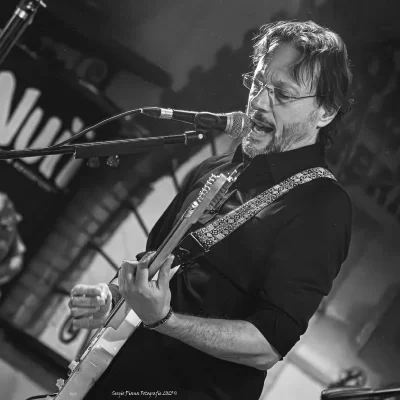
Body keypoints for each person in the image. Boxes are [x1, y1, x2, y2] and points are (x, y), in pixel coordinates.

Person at [69, 20, 353, 400]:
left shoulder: (322, 204)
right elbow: (154, 266)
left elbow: (268, 345)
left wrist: (166, 321)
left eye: (283, 95)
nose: (258, 103)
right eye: (257, 84)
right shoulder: (215, 168)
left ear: (326, 111)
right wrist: (113, 297)